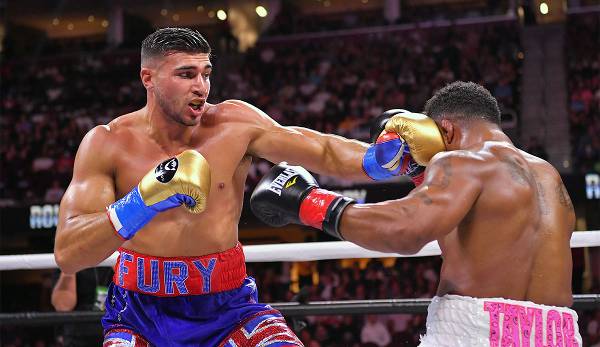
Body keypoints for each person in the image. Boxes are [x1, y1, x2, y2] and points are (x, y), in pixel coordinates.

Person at [53, 27, 373, 346]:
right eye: (186, 74)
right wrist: (142, 200)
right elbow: (68, 253)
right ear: (148, 78)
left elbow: (326, 151)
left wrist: (383, 158)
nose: (201, 87)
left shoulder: (233, 125)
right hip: (140, 316)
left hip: (229, 308)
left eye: (206, 74)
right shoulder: (107, 143)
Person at [251, 81, 582, 346]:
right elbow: (486, 234)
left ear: (446, 130)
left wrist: (311, 203)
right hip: (561, 333)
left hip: (477, 332)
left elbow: (408, 229)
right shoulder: (548, 176)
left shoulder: (461, 162)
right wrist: (421, 177)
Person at [51, 268, 114, 346]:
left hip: (117, 330)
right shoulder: (67, 260)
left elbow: (129, 300)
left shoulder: (122, 259)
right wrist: (70, 268)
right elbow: (63, 306)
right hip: (77, 332)